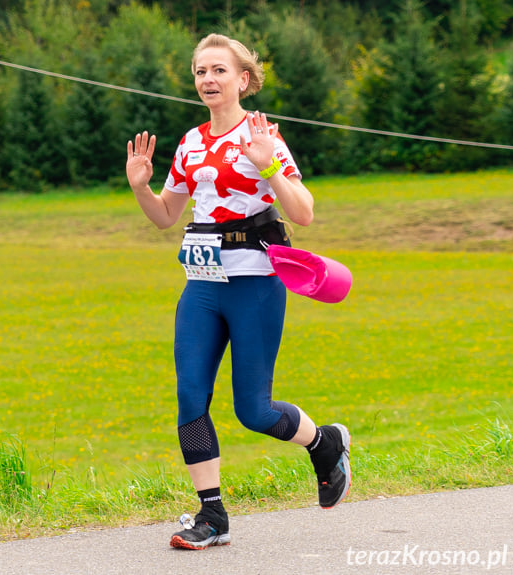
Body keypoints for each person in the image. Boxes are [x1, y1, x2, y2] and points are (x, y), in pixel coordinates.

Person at [125, 33, 351, 551]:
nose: (208, 79)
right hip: (202, 287)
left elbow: (304, 214)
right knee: (190, 398)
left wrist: (269, 162)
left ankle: (324, 441)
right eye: (201, 71)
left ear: (243, 79)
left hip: (256, 285)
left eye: (219, 71)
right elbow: (165, 216)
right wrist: (141, 186)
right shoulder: (190, 142)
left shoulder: (262, 136)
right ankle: (212, 516)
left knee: (254, 410)